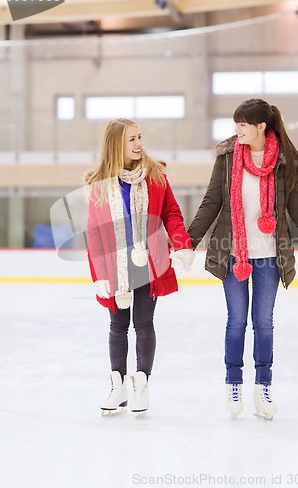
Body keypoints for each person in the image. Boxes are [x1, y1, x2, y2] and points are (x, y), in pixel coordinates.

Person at [188, 98, 298, 420]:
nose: (238, 130)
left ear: (261, 126)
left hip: (270, 257)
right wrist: (188, 242)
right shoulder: (228, 158)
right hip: (234, 253)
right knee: (236, 321)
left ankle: (263, 387)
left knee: (263, 323)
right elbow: (211, 202)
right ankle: (233, 382)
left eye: (243, 125)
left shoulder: (284, 161)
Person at [85, 118, 194, 416]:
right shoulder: (100, 186)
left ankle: (142, 384)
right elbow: (94, 233)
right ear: (116, 145)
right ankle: (117, 385)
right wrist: (98, 276)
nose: (138, 144)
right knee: (118, 326)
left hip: (149, 263)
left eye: (139, 137)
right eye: (131, 139)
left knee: (144, 324)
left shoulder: (155, 176)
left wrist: (181, 242)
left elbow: (172, 212)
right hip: (115, 267)